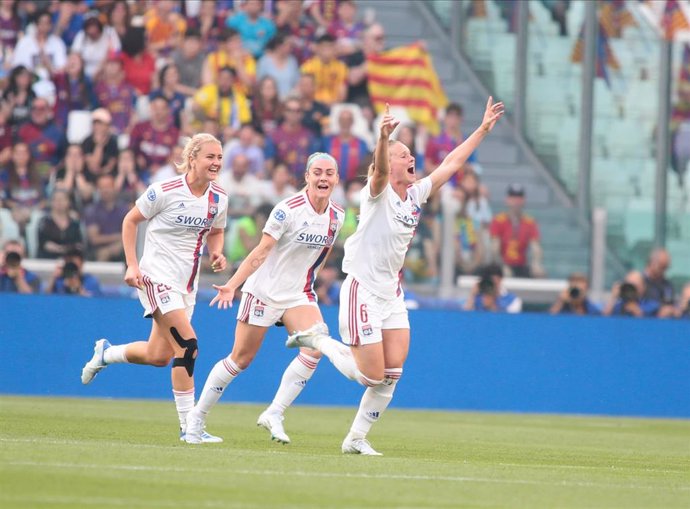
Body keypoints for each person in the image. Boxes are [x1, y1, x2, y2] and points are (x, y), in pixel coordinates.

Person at [285, 99, 504, 455]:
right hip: (363, 289)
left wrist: (480, 130)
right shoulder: (377, 193)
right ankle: (318, 341)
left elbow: (452, 163)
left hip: (391, 293)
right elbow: (381, 172)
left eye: (409, 154)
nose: (411, 158)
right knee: (370, 376)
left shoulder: (415, 194)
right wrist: (385, 139)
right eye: (404, 155)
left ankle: (355, 438)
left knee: (393, 372)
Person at [183, 152, 345, 445]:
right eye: (317, 172)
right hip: (264, 292)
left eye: (329, 173)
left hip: (298, 294)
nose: (323, 178)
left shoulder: (337, 216)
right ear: (307, 177)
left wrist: (312, 285)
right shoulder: (287, 210)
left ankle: (275, 413)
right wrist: (233, 285)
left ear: (336, 178)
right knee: (240, 360)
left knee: (314, 349)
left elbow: (321, 255)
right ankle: (195, 420)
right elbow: (261, 250)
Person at [80, 133, 229, 443]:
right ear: (192, 159)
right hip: (156, 278)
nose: (216, 163)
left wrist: (217, 251)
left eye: (219, 157)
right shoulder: (164, 191)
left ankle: (106, 353)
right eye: (209, 157)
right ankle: (190, 428)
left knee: (159, 355)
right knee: (188, 345)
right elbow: (130, 221)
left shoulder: (219, 198)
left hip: (186, 285)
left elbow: (216, 231)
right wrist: (132, 265)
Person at [489, 183, 545, 278]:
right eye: (513, 198)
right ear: (507, 200)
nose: (516, 201)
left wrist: (536, 264)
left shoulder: (529, 222)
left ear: (523, 201)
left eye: (519, 198)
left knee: (540, 274)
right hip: (503, 264)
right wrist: (502, 266)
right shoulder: (498, 220)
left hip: (521, 265)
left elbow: (536, 247)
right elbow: (494, 248)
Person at [642, 248, 676, 318]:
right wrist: (657, 312)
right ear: (652, 263)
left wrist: (672, 311)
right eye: (662, 267)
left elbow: (672, 303)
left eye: (666, 268)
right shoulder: (639, 282)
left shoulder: (667, 285)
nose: (664, 271)